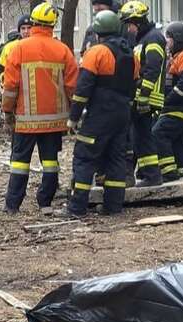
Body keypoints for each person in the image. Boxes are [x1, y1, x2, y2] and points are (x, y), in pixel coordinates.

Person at [1, 1, 78, 215]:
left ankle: (12, 205)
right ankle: (45, 202)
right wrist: (75, 113)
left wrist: (7, 112)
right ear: (53, 24)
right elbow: (73, 86)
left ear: (33, 21)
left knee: (19, 163)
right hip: (54, 121)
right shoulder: (63, 50)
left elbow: (10, 86)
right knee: (51, 163)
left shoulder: (18, 49)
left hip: (25, 121)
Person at [66, 11, 138, 216]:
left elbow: (82, 89)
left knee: (84, 157)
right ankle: (113, 207)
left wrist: (73, 117)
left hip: (99, 115)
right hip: (122, 114)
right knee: (116, 159)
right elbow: (134, 85)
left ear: (98, 33)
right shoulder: (131, 54)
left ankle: (76, 208)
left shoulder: (96, 53)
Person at [120, 1, 167, 187]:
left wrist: (144, 95)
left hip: (148, 97)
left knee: (142, 137)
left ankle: (152, 177)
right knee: (140, 136)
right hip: (142, 96)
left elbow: (153, 68)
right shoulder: (143, 38)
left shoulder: (153, 38)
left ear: (137, 21)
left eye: (129, 24)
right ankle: (149, 175)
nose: (128, 28)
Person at [152, 22, 183, 182]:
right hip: (177, 108)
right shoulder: (178, 56)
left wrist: (166, 101)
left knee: (158, 133)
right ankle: (182, 167)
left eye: (170, 38)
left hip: (179, 108)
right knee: (179, 139)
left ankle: (168, 172)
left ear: (178, 39)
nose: (167, 42)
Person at [0, 15, 32, 83]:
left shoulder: (38, 46)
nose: (26, 31)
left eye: (29, 28)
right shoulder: (9, 47)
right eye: (23, 28)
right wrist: (7, 79)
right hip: (15, 89)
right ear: (19, 30)